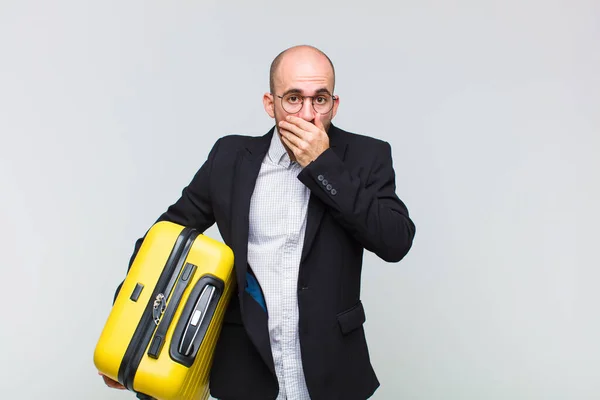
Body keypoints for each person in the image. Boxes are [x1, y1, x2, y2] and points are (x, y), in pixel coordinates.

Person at [100, 44, 416, 400]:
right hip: (246, 367)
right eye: (294, 99)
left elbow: (395, 241)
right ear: (271, 103)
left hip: (332, 369)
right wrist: (127, 331)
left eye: (320, 99)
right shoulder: (231, 157)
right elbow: (163, 239)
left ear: (335, 104)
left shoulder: (366, 156)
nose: (308, 114)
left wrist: (323, 165)